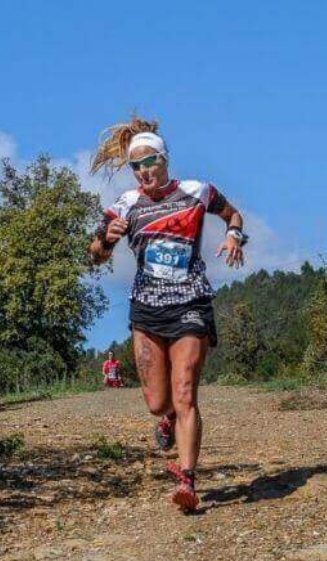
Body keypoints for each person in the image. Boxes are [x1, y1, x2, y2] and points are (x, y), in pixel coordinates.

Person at [88, 117, 247, 512]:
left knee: (186, 391)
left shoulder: (197, 192)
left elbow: (234, 215)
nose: (144, 172)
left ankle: (188, 480)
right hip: (147, 308)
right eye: (136, 167)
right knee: (159, 402)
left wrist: (233, 236)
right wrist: (105, 243)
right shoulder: (125, 206)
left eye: (151, 162)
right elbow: (94, 253)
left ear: (165, 159)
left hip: (190, 302)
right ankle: (167, 419)